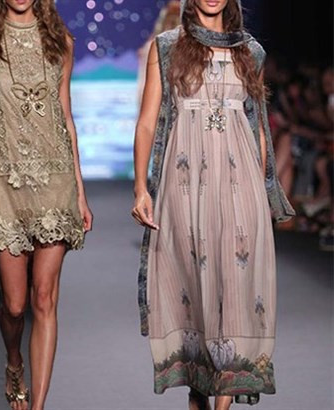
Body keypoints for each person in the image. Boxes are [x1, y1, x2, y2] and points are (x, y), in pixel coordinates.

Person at [132, 0, 295, 409]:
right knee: (195, 297)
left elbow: (257, 126)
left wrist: (262, 194)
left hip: (242, 189)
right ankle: (198, 390)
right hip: (184, 188)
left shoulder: (250, 51)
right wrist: (141, 188)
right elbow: (148, 122)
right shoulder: (167, 47)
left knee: (235, 291)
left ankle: (220, 397)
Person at [0, 0, 93, 408]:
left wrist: (79, 190)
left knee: (44, 298)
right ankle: (14, 360)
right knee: (15, 306)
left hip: (56, 180)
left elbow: (65, 117)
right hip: (2, 182)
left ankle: (38, 405)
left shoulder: (60, 40)